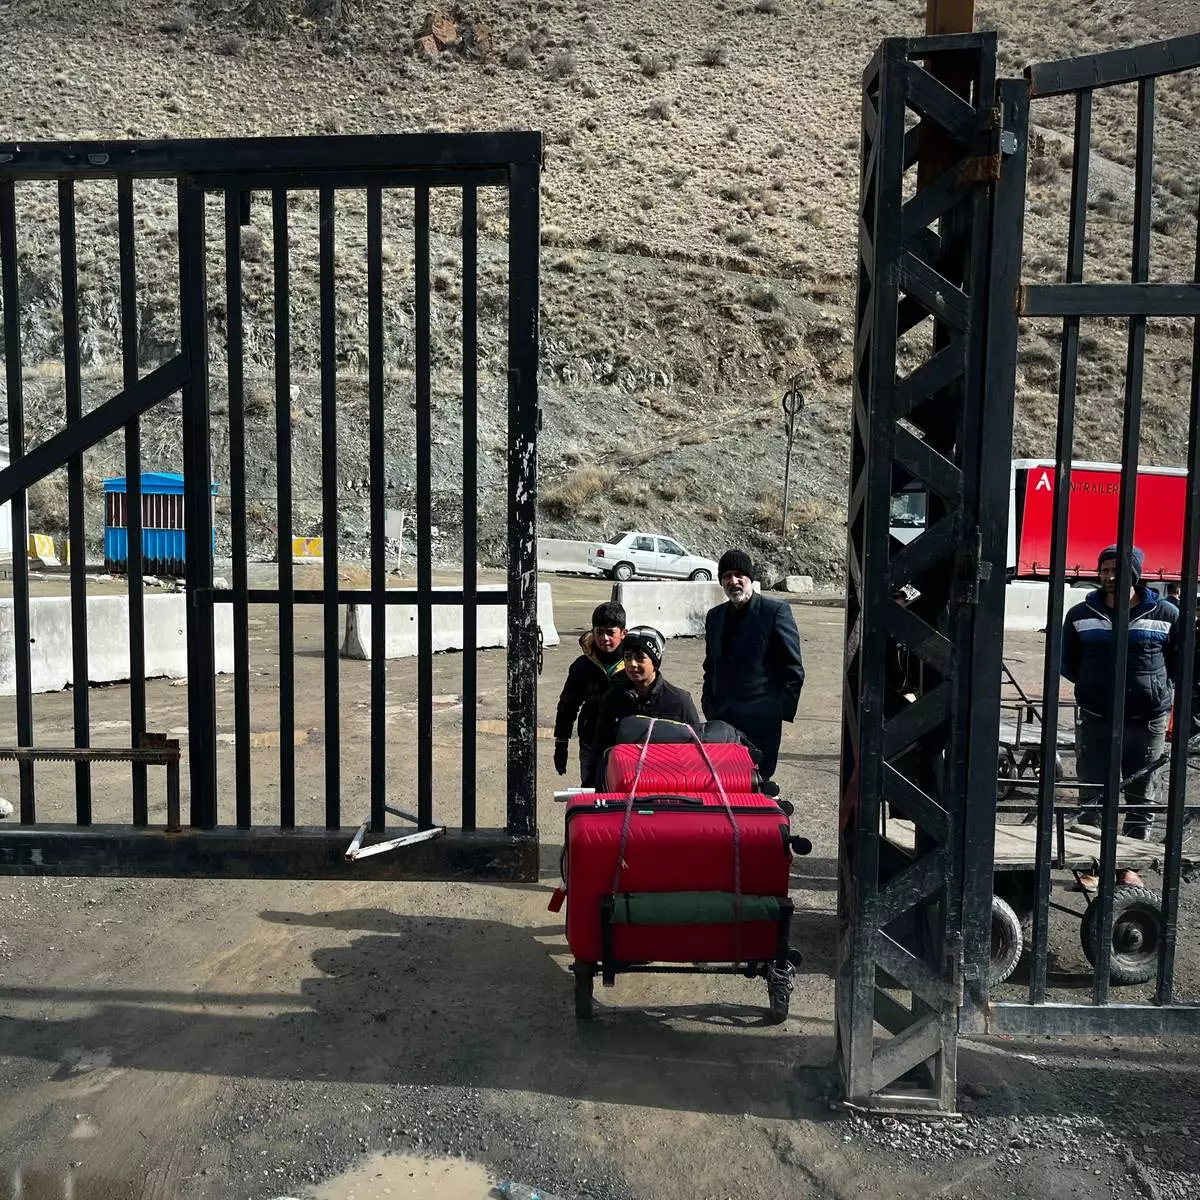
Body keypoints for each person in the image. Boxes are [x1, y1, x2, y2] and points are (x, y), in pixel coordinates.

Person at [1062, 545, 1180, 856]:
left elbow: (1180, 662)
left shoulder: (1167, 614)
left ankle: (1130, 863)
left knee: (1142, 793)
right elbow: (1068, 663)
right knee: (1092, 791)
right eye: (1105, 570)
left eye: (1117, 570)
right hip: (1096, 716)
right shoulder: (1080, 615)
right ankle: (1089, 860)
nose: (1110, 576)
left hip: (1147, 719)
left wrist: (1154, 690)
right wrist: (1094, 688)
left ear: (1135, 574)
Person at [701, 548, 805, 782]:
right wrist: (708, 702)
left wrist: (776, 711)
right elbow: (710, 666)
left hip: (761, 724)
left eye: (739, 574)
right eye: (726, 576)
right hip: (721, 721)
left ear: (750, 578)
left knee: (756, 785)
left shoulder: (775, 611)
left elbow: (793, 669)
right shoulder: (715, 617)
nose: (733, 581)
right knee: (722, 784)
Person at [587, 625, 701, 787]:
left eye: (640, 658)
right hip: (622, 784)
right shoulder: (613, 697)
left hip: (667, 785)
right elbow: (600, 748)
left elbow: (695, 752)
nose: (632, 664)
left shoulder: (679, 701)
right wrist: (593, 784)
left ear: (655, 662)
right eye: (627, 657)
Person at [553, 601, 627, 786]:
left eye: (611, 632)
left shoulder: (633, 665)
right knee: (591, 793)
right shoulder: (582, 666)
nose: (605, 638)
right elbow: (567, 705)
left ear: (623, 633)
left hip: (625, 743)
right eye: (599, 632)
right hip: (590, 742)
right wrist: (561, 742)